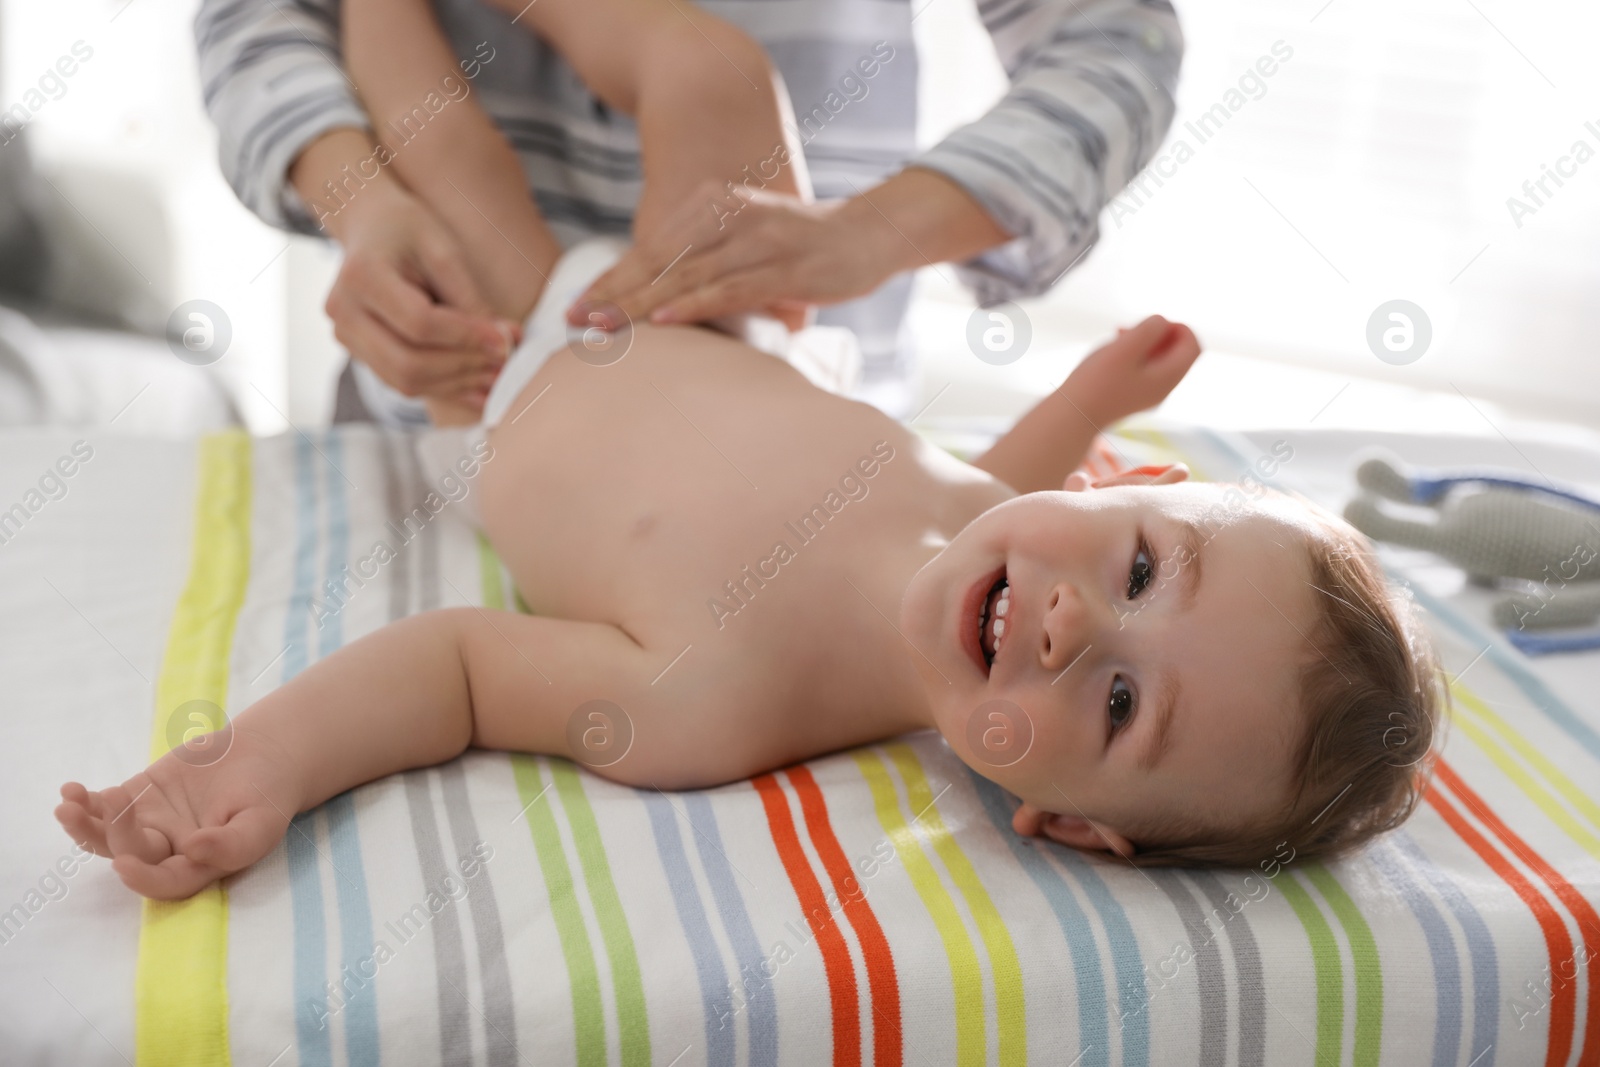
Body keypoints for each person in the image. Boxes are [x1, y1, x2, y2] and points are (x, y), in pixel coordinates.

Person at [59, 0, 1440, 898]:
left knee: (444, 149)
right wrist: (1092, 394)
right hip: (747, 314)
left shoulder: (706, 701)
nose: (1078, 620)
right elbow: (1015, 483)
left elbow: (459, 670)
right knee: (715, 62)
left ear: (1071, 824)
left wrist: (257, 766)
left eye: (1126, 706)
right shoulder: (992, 521)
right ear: (1145, 492)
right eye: (1145, 561)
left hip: (524, 357)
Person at [194, 0, 1185, 423]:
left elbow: (1112, 49)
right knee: (709, 71)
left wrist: (872, 234)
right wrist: (356, 203)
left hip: (500, 396)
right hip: (768, 381)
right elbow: (975, 514)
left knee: (443, 151)